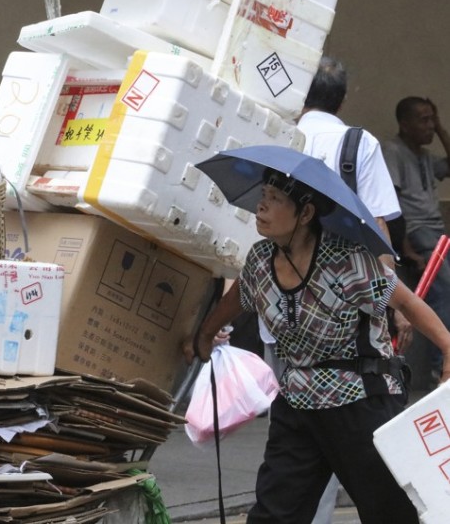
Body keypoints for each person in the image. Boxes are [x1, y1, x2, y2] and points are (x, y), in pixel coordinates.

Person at [186, 168, 450, 524]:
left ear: (305, 213)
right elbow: (235, 302)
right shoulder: (260, 261)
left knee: (390, 512)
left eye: (275, 199)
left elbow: (406, 304)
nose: (261, 206)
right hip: (297, 402)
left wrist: (449, 351)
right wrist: (203, 337)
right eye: (262, 195)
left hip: (360, 401)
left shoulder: (348, 260)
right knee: (275, 513)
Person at [268, 57, 408, 524]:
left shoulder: (274, 140)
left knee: (298, 435)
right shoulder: (357, 142)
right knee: (362, 454)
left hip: (284, 317)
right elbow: (380, 229)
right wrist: (395, 308)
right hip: (352, 329)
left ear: (297, 97)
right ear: (342, 99)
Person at [382, 97, 450, 385]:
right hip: (417, 232)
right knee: (444, 285)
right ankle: (441, 365)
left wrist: (441, 129)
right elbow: (390, 204)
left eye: (431, 119)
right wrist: (405, 246)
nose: (429, 126)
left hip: (437, 231)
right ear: (404, 124)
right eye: (423, 120)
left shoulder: (424, 157)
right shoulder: (393, 151)